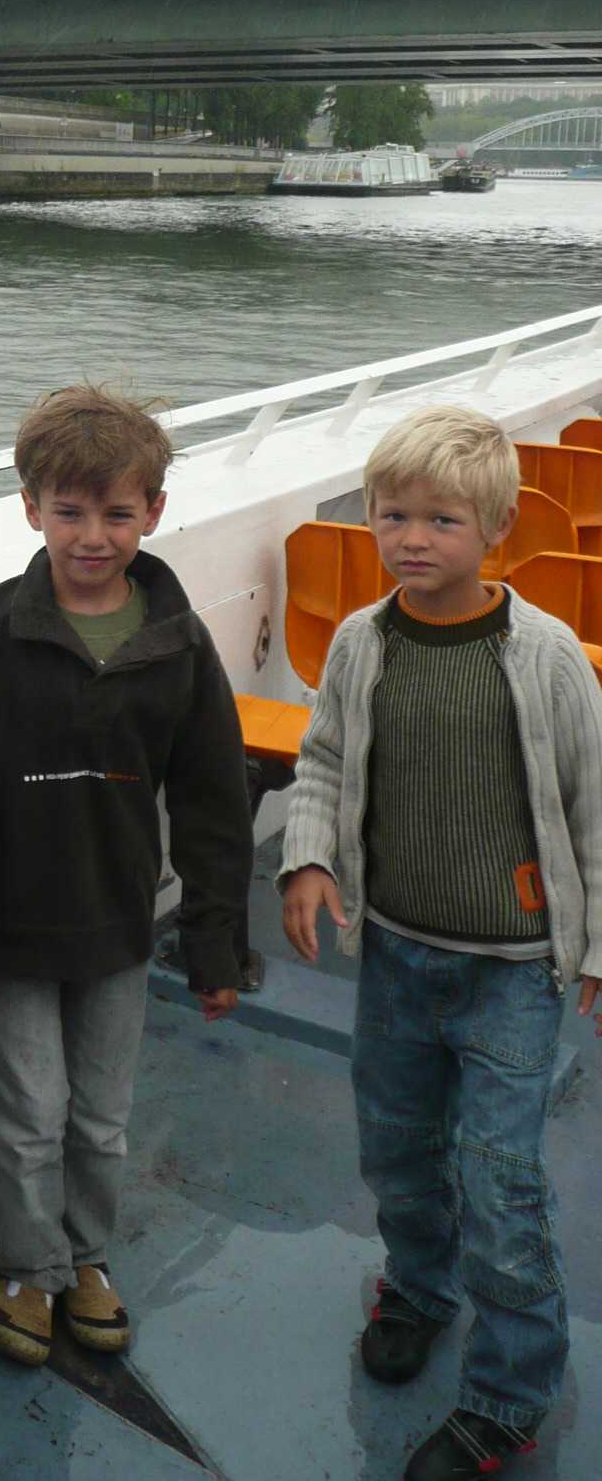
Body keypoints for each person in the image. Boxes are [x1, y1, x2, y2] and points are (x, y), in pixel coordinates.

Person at [280, 405, 602, 1481]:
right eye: (393, 515)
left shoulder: (546, 657)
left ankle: (509, 1392)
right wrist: (308, 856)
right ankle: (420, 1287)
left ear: (498, 529)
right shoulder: (361, 643)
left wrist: (596, 945)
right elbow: (324, 761)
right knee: (397, 1146)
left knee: (501, 1181)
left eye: (442, 519)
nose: (412, 538)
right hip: (396, 954)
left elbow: (594, 807)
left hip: (513, 970)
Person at [0, 384, 252, 1368]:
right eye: (68, 511)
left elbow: (212, 799)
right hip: (10, 933)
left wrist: (214, 940)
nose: (92, 535)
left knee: (102, 1120)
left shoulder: (179, 642)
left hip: (119, 927)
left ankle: (87, 1257)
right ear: (30, 506)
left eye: (117, 512)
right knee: (27, 1116)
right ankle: (30, 1265)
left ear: (153, 511)